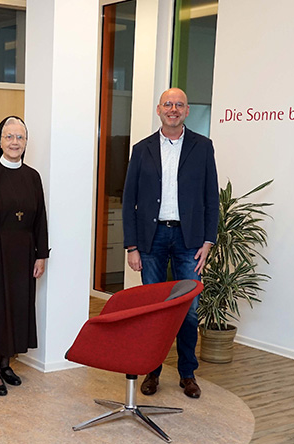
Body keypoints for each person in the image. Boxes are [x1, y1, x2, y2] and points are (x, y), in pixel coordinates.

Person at [122, 87, 219, 399]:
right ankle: (153, 371)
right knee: (153, 310)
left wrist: (208, 240)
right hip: (151, 239)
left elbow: (210, 196)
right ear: (158, 110)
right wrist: (131, 246)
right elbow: (129, 201)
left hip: (189, 239)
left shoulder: (203, 147)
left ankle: (187, 373)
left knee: (189, 309)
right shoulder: (142, 149)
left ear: (187, 111)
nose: (173, 109)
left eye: (179, 105)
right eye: (168, 104)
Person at [0, 116, 49, 396]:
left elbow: (40, 219)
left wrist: (41, 255)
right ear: (0, 141)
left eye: (20, 138)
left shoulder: (32, 176)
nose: (15, 142)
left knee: (17, 307)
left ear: (26, 143)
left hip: (24, 253)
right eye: (9, 137)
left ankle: (6, 363)